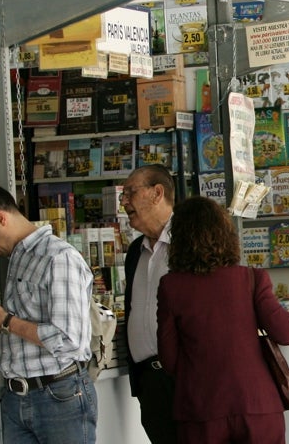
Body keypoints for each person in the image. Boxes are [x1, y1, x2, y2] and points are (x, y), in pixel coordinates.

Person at [0, 184, 97, 443]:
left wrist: (6, 321)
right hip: (16, 396)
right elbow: (29, 320)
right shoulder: (17, 258)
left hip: (58, 395)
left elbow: (69, 339)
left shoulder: (58, 257)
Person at [157, 197, 289, 443]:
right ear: (226, 235)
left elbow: (169, 360)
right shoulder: (252, 279)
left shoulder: (171, 286)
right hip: (257, 405)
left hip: (201, 409)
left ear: (178, 239)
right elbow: (288, 334)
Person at [121, 165, 178, 443]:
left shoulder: (190, 241)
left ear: (157, 193)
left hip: (186, 379)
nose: (124, 201)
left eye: (131, 192)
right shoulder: (135, 251)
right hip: (150, 383)